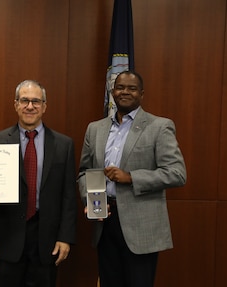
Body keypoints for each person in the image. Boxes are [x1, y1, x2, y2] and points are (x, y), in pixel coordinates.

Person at [77, 70, 187, 287]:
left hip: (141, 228)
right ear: (113, 92)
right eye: (120, 87)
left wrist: (131, 178)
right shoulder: (95, 129)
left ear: (142, 94)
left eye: (132, 88)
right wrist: (90, 200)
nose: (125, 92)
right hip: (104, 223)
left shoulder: (159, 126)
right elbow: (84, 172)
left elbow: (177, 173)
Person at [0, 80, 77, 287]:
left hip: (47, 240)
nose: (30, 106)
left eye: (35, 101)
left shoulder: (63, 145)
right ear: (15, 104)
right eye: (24, 100)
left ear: (44, 106)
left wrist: (65, 238)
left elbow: (69, 196)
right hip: (8, 238)